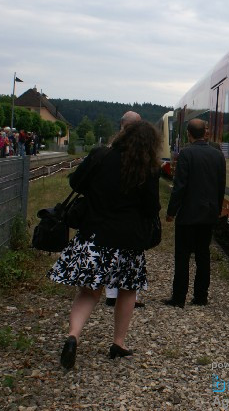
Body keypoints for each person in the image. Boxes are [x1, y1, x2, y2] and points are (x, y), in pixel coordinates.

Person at [48, 120, 161, 369]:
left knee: (88, 292)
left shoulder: (101, 155)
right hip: (128, 242)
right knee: (127, 290)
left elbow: (75, 183)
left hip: (94, 236)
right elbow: (152, 209)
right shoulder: (148, 169)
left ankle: (73, 336)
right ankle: (118, 343)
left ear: (123, 134)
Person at [164, 119, 226, 308]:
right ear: (205, 133)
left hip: (188, 215)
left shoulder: (186, 154)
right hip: (208, 213)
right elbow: (220, 186)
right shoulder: (218, 155)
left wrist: (171, 211)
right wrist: (217, 209)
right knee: (203, 255)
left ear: (189, 134)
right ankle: (201, 296)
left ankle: (179, 297)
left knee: (182, 256)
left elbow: (180, 187)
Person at [105, 111, 144, 308]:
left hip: (109, 213)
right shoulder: (144, 155)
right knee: (131, 258)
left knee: (112, 253)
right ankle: (131, 296)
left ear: (121, 125)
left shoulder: (108, 150)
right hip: (133, 216)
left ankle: (111, 294)